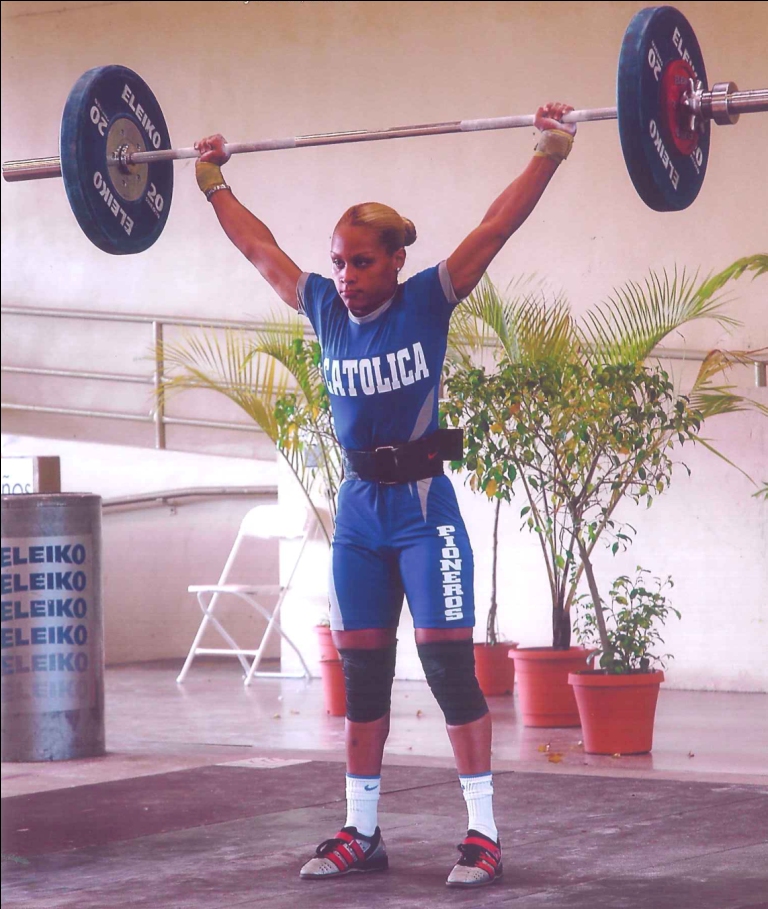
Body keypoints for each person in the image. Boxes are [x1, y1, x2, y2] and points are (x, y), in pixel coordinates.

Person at [194, 102, 576, 888]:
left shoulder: (428, 298)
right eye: (338, 262)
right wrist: (212, 183)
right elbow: (260, 250)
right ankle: (361, 830)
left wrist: (549, 149)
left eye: (361, 262)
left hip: (423, 512)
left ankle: (483, 833)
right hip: (360, 515)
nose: (346, 275)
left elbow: (495, 228)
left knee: (449, 672)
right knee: (362, 680)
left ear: (396, 260)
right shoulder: (324, 309)